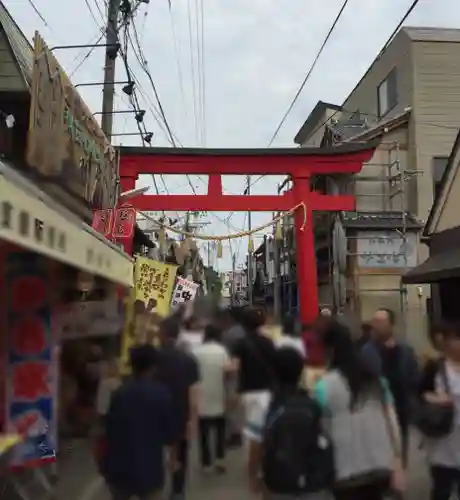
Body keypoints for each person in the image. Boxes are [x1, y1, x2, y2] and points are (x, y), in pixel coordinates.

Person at [315, 320, 405, 500]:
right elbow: (392, 423)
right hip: (380, 465)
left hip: (345, 469)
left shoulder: (324, 387)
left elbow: (322, 432)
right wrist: (397, 460)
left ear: (329, 349)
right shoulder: (377, 381)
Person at [245, 347, 333, 499]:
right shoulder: (312, 402)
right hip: (313, 483)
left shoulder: (264, 403)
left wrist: (254, 477)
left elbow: (255, 447)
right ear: (300, 372)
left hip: (279, 484)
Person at [102, 345, 176, 500]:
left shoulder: (119, 394)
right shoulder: (162, 394)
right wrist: (173, 459)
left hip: (119, 467)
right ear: (153, 367)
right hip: (150, 469)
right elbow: (170, 434)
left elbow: (108, 430)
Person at [361, 307, 419, 467]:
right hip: (377, 406)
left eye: (381, 321)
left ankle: (400, 476)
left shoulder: (405, 350)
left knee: (401, 446)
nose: (377, 325)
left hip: (401, 406)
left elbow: (413, 375)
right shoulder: (366, 351)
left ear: (391, 324)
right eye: (375, 321)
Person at [156, 315, 200, 500]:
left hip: (156, 412)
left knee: (155, 451)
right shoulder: (188, 359)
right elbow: (194, 392)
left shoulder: (153, 358)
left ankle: (154, 487)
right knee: (181, 453)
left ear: (163, 334)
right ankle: (177, 490)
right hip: (181, 412)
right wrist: (193, 420)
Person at [419, 322, 460, 500]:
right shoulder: (435, 367)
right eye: (454, 339)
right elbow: (418, 394)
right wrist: (435, 398)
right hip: (442, 440)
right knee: (442, 489)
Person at [193, 323, 235, 473]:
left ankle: (206, 463)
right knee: (220, 429)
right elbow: (229, 372)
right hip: (219, 393)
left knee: (203, 431)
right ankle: (220, 459)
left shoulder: (196, 351)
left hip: (201, 395)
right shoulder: (222, 351)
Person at [231, 308, 277, 428]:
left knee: (249, 428)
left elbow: (234, 367)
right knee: (264, 426)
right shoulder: (269, 342)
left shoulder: (240, 343)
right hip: (267, 390)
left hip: (247, 390)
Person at [215, 307, 245, 448]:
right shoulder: (245, 331)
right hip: (245, 372)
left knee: (231, 403)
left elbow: (224, 354)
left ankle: (235, 434)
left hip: (233, 371)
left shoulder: (228, 335)